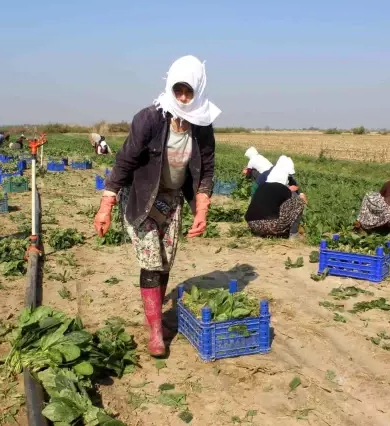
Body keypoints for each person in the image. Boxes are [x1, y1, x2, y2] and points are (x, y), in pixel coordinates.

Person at [94, 55, 221, 357]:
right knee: (151, 261)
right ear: (170, 87)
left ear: (198, 91)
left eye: (189, 91)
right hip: (142, 196)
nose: (183, 97)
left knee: (164, 263)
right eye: (178, 90)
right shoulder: (149, 119)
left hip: (173, 200)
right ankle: (155, 331)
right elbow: (124, 161)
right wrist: (105, 205)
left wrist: (201, 210)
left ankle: (155, 320)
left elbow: (206, 170)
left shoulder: (201, 125)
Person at [245, 160, 306, 239]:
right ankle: (293, 234)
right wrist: (299, 196)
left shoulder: (262, 186)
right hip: (269, 226)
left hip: (252, 225)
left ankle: (262, 233)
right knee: (298, 202)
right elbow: (291, 200)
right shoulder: (282, 188)